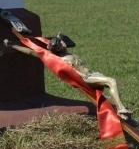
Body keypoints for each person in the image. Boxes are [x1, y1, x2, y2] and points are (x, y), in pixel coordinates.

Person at [4, 32, 132, 120]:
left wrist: (56, 38)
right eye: (61, 44)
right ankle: (121, 108)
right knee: (111, 81)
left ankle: (118, 108)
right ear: (58, 48)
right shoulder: (55, 58)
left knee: (109, 85)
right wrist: (12, 45)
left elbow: (70, 42)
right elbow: (31, 52)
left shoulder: (66, 52)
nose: (64, 45)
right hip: (85, 78)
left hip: (92, 74)